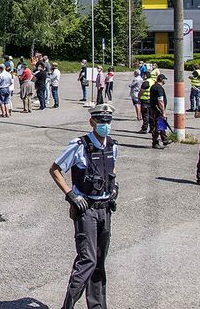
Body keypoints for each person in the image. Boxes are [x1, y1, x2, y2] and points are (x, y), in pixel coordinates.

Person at [49, 104, 119, 309]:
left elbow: (112, 171)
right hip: (86, 208)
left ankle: (97, 306)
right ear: (92, 122)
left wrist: (114, 188)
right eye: (101, 121)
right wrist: (71, 195)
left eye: (108, 121)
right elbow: (55, 170)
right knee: (87, 261)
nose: (105, 125)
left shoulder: (112, 145)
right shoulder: (80, 145)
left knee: (99, 262)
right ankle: (68, 306)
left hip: (105, 207)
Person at [149, 73, 172, 149]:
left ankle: (165, 139)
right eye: (164, 79)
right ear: (162, 80)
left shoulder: (153, 86)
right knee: (157, 126)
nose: (165, 81)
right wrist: (163, 111)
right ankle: (155, 142)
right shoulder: (159, 88)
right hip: (157, 110)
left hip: (153, 108)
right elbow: (160, 100)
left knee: (162, 124)